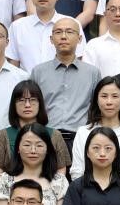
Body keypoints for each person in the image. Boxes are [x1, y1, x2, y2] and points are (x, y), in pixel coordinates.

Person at [32, 17, 102, 149]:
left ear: (79, 39)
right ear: (51, 39)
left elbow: (97, 109)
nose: (63, 36)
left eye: (69, 32)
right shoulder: (38, 72)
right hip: (46, 139)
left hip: (80, 140)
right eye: (58, 32)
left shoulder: (92, 73)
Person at [0, 124, 70, 205]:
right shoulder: (4, 180)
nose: (33, 150)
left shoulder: (59, 181)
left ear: (47, 149)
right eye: (27, 145)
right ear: (18, 148)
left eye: (39, 145)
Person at [0, 80, 72, 178]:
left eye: (32, 100)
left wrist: (51, 186)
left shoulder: (55, 135)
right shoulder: (2, 135)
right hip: (11, 186)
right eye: (21, 100)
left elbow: (61, 169)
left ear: (40, 103)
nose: (27, 105)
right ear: (14, 104)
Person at [9, 0, 84, 72]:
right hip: (27, 81)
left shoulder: (73, 24)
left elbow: (79, 61)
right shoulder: (17, 26)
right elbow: (13, 64)